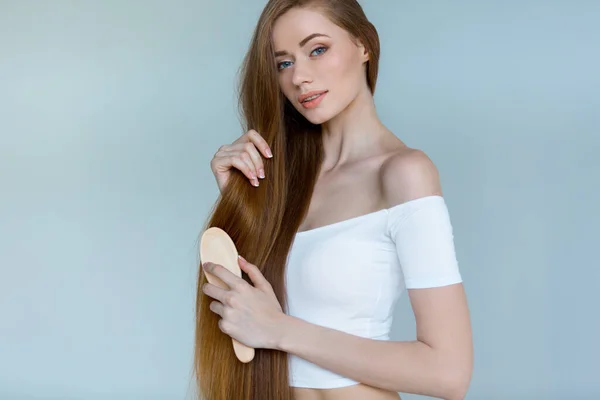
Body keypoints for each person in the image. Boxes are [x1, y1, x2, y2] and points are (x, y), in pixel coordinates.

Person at [195, 1, 473, 399]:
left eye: (317, 50)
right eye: (283, 63)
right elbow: (246, 319)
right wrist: (239, 202)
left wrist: (280, 330)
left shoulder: (403, 173)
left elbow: (448, 373)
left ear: (364, 45)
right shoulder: (279, 182)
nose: (300, 78)